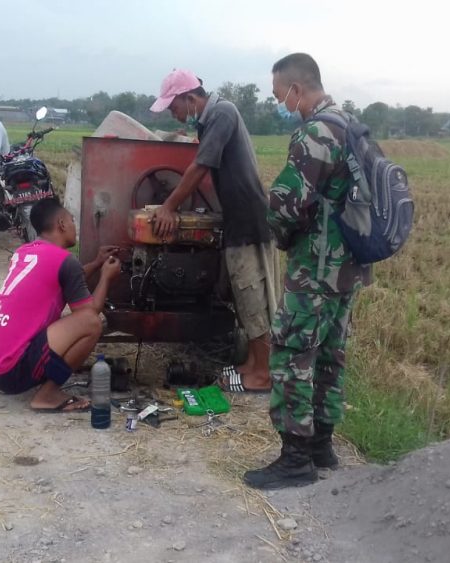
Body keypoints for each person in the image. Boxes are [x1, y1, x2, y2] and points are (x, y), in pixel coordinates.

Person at [243, 53, 371, 489]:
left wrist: (279, 235)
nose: (282, 103)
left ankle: (295, 458)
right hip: (350, 267)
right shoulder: (350, 125)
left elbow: (285, 204)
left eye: (281, 95)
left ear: (297, 88)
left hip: (315, 268)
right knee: (330, 354)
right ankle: (322, 446)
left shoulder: (314, 132)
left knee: (294, 353)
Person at [149, 69, 277, 393]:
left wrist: (168, 206)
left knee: (253, 294)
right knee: (242, 294)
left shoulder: (222, 112)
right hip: (236, 219)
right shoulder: (210, 120)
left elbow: (200, 167)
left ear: (190, 98)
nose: (175, 116)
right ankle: (252, 363)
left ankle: (262, 373)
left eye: (174, 108)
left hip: (249, 219)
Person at [0, 198, 121, 412]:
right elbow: (89, 312)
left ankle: (25, 379)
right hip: (11, 371)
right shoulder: (64, 260)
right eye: (71, 221)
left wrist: (97, 263)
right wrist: (106, 276)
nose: (74, 227)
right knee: (91, 323)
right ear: (61, 224)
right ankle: (48, 394)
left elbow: (68, 278)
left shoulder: (25, 252)